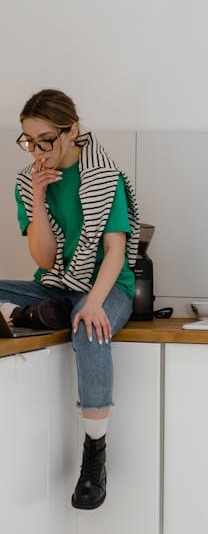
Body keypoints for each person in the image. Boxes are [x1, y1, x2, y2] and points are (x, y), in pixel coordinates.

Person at [0, 90, 139, 511]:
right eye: (28, 140)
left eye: (46, 139)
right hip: (56, 284)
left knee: (89, 329)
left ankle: (94, 455)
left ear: (71, 130)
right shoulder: (28, 181)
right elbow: (43, 259)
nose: (37, 150)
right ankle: (52, 311)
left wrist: (94, 303)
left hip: (107, 287)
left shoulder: (103, 176)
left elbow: (116, 251)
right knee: (64, 306)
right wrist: (39, 198)